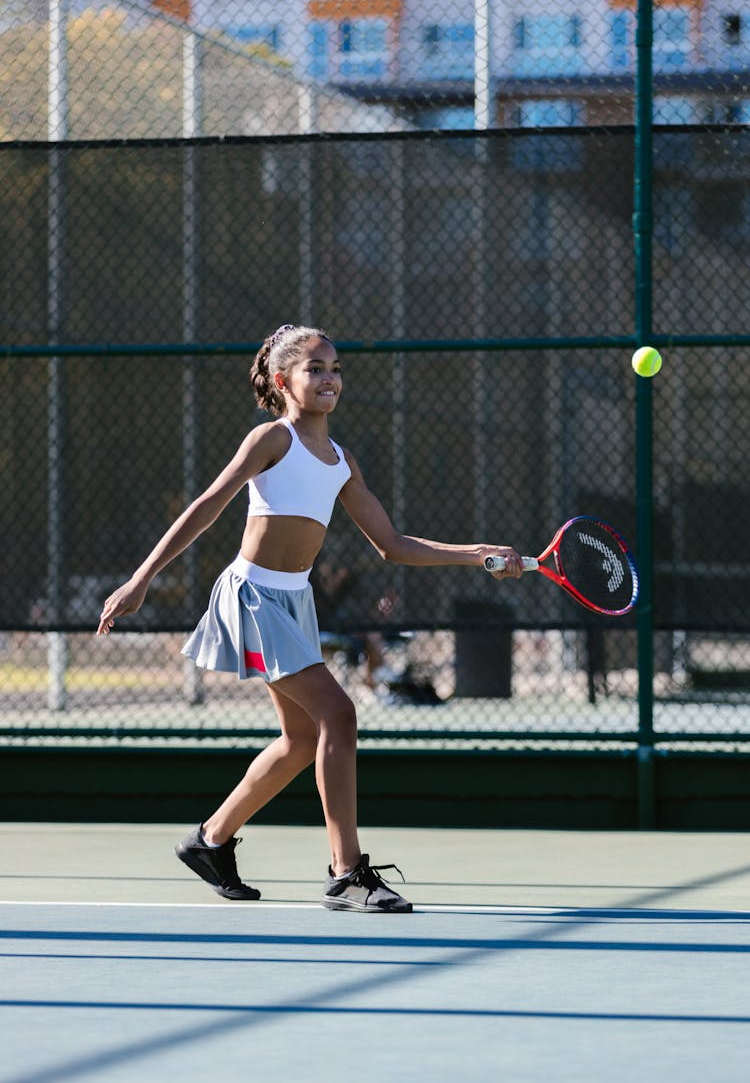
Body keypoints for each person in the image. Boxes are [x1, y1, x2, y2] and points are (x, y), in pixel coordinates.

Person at [97, 324, 523, 912]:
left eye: (336, 369)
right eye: (315, 368)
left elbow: (392, 543)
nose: (329, 378)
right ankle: (347, 873)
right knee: (339, 715)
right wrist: (140, 579)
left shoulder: (342, 461)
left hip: (294, 602)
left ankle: (209, 839)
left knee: (301, 740)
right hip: (252, 597)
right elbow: (206, 507)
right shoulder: (271, 439)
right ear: (282, 381)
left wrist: (476, 555)